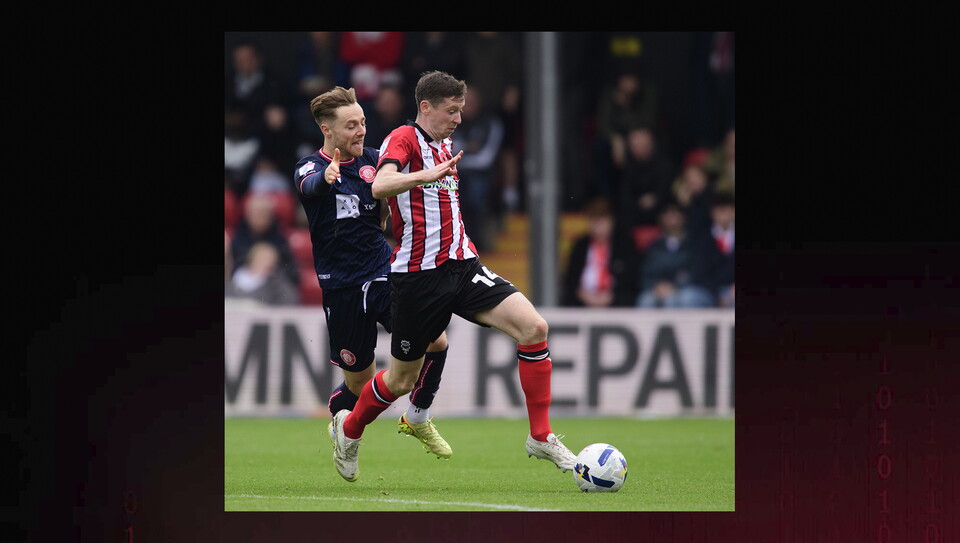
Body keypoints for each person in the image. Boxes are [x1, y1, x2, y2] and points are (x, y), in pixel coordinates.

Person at [330, 71, 578, 483]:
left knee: (534, 328)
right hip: (418, 278)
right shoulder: (403, 138)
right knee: (400, 379)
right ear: (426, 107)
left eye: (460, 110)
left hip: (463, 266)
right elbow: (381, 186)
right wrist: (422, 176)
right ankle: (350, 430)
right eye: (452, 110)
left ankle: (540, 435)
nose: (459, 119)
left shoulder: (444, 141)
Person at [293, 86, 453, 473]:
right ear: (326, 130)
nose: (361, 130)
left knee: (436, 339)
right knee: (359, 386)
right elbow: (309, 186)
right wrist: (327, 176)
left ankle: (418, 415)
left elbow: (391, 192)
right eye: (351, 126)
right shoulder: (309, 166)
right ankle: (342, 423)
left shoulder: (375, 161)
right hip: (342, 287)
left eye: (363, 122)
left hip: (383, 272)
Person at [635, 201, 716, 308]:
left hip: (690, 288)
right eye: (667, 215)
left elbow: (696, 272)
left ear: (683, 217)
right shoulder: (654, 246)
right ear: (661, 219)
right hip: (659, 289)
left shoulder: (694, 243)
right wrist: (656, 286)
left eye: (675, 214)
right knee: (645, 299)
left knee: (678, 298)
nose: (671, 219)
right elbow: (646, 273)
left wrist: (674, 286)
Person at [561, 197, 640, 308]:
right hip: (583, 301)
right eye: (594, 220)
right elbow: (571, 277)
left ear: (611, 221)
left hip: (616, 302)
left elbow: (630, 278)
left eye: (602, 220)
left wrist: (612, 295)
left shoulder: (624, 245)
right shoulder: (580, 246)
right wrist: (583, 294)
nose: (598, 226)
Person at [225, 241, 301, 306]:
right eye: (261, 259)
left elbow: (288, 306)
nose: (266, 264)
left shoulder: (281, 286)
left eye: (270, 260)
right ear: (251, 260)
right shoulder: (231, 280)